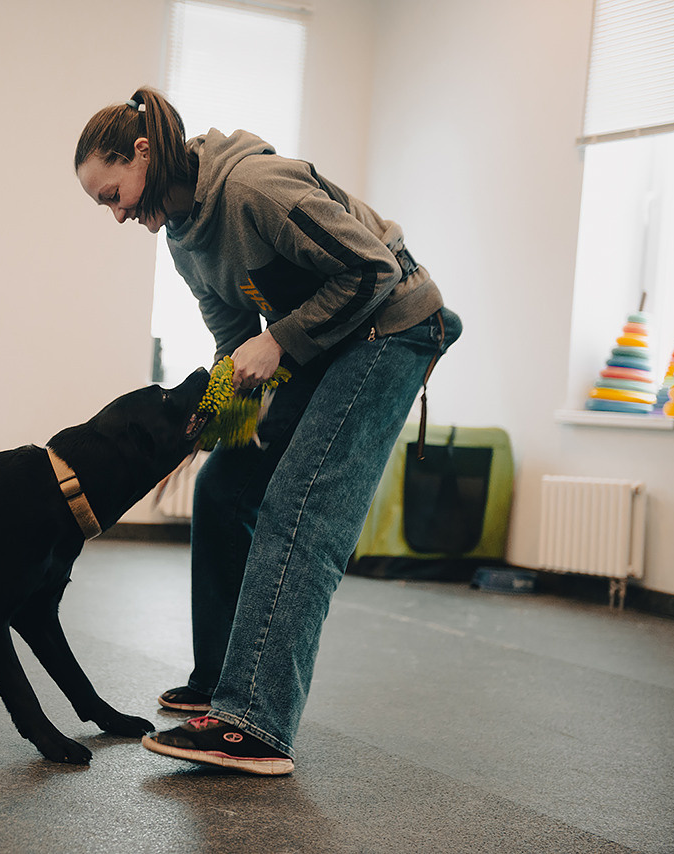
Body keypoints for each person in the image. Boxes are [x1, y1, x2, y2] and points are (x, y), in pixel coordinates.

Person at [75, 88, 461, 775]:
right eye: (103, 204)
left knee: (301, 509)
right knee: (224, 487)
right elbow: (234, 345)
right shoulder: (184, 240)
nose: (117, 213)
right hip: (329, 341)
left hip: (395, 325)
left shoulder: (255, 189)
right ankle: (218, 686)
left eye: (114, 193)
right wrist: (215, 425)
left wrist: (280, 340)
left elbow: (372, 269)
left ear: (142, 153)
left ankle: (253, 721)